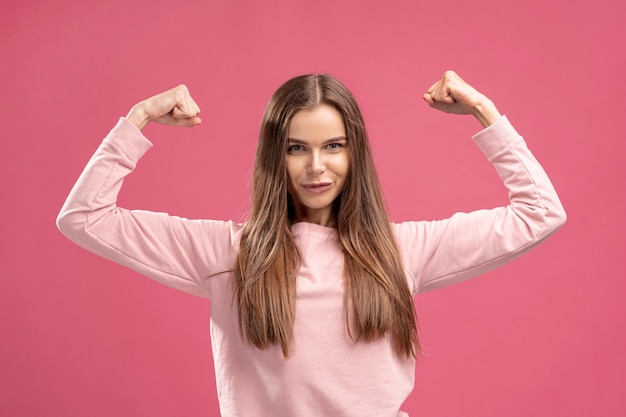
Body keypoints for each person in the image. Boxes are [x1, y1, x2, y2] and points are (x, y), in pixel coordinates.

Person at [57, 71, 566, 417]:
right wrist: (138, 118)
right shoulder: (226, 255)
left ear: (355, 153)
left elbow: (539, 212)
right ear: (273, 157)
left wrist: (484, 111)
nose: (316, 166)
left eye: (334, 146)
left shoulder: (402, 251)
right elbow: (85, 216)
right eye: (297, 148)